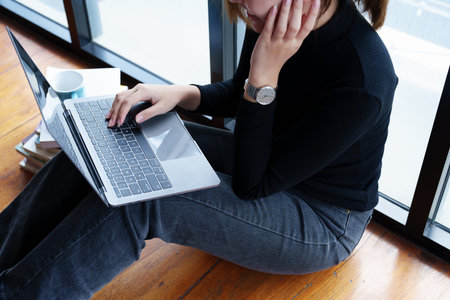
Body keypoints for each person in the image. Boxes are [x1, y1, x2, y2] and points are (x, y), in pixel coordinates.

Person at [0, 0, 397, 298]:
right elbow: (240, 93)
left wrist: (265, 71)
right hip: (264, 161)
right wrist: (179, 94)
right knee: (113, 133)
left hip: (321, 218)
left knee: (149, 198)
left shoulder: (365, 79)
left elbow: (251, 183)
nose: (240, 5)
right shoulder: (272, 15)